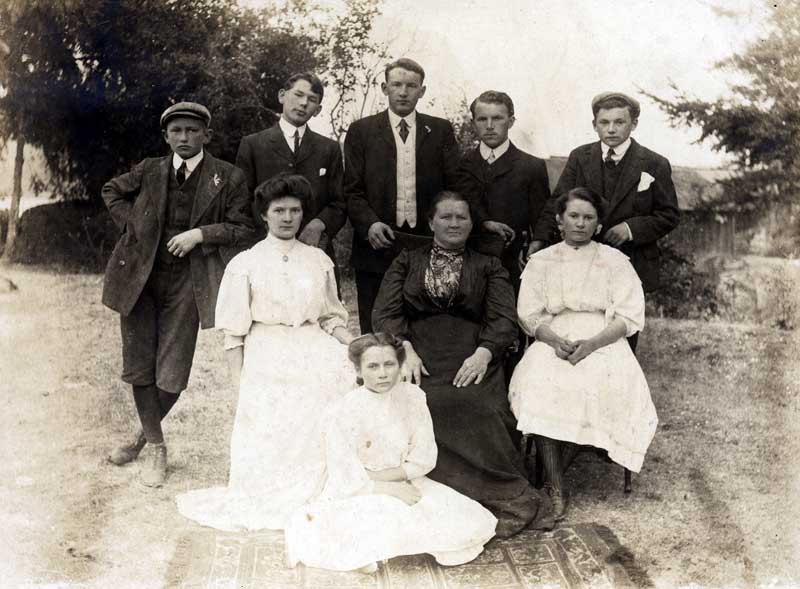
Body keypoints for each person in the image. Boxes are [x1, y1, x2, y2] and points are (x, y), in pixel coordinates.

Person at [176, 173, 356, 530]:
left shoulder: (318, 260)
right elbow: (235, 333)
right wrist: (239, 381)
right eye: (279, 211)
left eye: (295, 210)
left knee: (335, 389)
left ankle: (319, 492)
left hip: (312, 344)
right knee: (269, 409)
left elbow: (330, 317)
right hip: (267, 348)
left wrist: (354, 344)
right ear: (264, 215)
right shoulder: (245, 263)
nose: (288, 218)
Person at [372, 191, 554, 538]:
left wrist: (485, 352)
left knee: (479, 406)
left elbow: (503, 318)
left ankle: (491, 491)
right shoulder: (407, 261)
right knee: (421, 402)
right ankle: (424, 490)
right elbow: (386, 312)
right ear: (431, 222)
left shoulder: (489, 265)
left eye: (462, 217)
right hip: (418, 354)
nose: (454, 223)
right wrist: (403, 348)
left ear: (472, 224)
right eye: (446, 217)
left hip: (472, 354)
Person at [102, 102, 254, 487]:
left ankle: (141, 438)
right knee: (139, 363)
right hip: (140, 278)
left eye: (192, 130)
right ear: (166, 136)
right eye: (176, 131)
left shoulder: (228, 176)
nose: (184, 138)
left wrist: (200, 234)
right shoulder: (150, 169)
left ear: (207, 134)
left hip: (190, 280)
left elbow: (243, 227)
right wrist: (135, 228)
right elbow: (111, 190)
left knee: (172, 372)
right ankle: (156, 446)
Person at [285, 333, 497, 573]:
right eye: (373, 366)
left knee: (460, 522)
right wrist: (386, 488)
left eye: (389, 364)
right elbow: (344, 473)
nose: (383, 373)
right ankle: (363, 549)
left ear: (400, 365)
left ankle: (379, 546)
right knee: (380, 517)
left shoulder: (413, 397)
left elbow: (423, 457)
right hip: (357, 489)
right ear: (358, 370)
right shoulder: (344, 410)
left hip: (405, 479)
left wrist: (396, 482)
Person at [508, 188, 658, 521]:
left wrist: (591, 344)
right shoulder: (541, 261)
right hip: (554, 335)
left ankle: (553, 477)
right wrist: (553, 340)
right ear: (559, 221)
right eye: (573, 216)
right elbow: (530, 315)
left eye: (588, 218)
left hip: (602, 339)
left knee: (597, 387)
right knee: (539, 383)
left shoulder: (615, 261)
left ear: (599, 224)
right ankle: (557, 486)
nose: (580, 223)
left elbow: (628, 317)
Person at [553, 92, 679, 350]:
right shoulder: (580, 158)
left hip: (631, 263)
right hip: (582, 261)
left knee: (621, 341)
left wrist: (631, 229)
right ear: (594, 124)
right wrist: (540, 241)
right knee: (580, 328)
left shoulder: (654, 163)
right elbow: (558, 203)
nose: (611, 129)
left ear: (634, 124)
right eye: (604, 122)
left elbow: (669, 215)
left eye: (619, 122)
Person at [345, 57, 460, 334]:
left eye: (411, 86)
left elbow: (453, 187)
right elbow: (351, 189)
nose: (403, 92)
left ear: (422, 91)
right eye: (396, 85)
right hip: (376, 244)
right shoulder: (361, 131)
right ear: (384, 88)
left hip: (426, 244)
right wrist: (369, 224)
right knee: (375, 326)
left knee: (425, 324)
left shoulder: (440, 130)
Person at [235, 72, 346, 258]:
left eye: (312, 99)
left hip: (314, 249)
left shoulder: (329, 148)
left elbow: (339, 202)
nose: (303, 103)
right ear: (282, 96)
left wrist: (319, 224)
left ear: (317, 110)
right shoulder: (253, 144)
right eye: (298, 95)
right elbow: (242, 200)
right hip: (265, 250)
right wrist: (270, 231)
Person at [457, 90, 556, 289]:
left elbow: (541, 217)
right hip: (466, 262)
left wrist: (538, 243)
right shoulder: (460, 165)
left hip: (512, 263)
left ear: (510, 122)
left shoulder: (531, 166)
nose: (489, 126)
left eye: (497, 118)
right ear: (473, 123)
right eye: (482, 119)